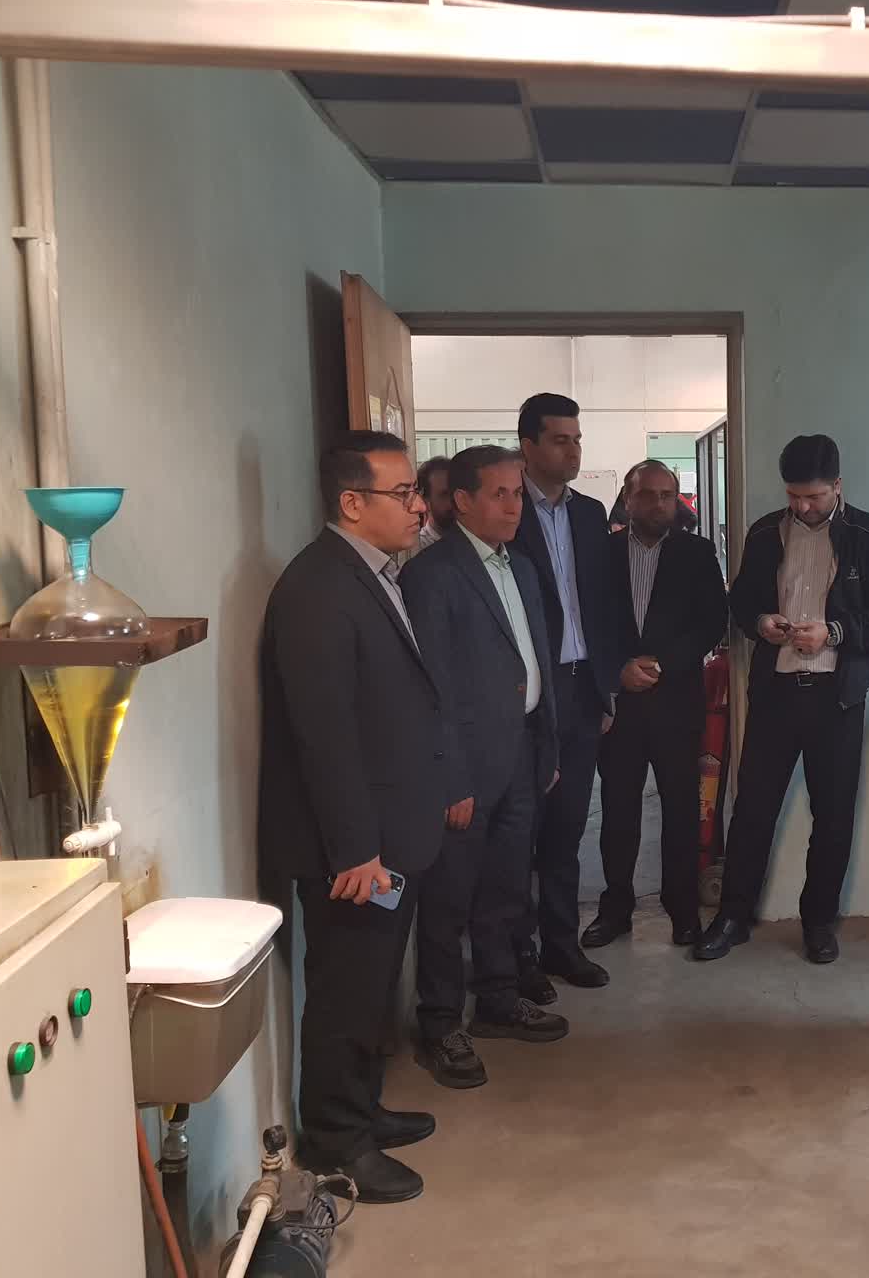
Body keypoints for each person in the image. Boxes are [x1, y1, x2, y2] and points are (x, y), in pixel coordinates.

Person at [257, 431, 446, 1204]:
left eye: (415, 491)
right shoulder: (318, 588)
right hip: (352, 849)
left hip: (386, 830)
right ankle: (337, 1141)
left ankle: (363, 1109)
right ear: (351, 502)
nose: (419, 506)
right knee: (345, 990)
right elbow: (324, 732)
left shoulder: (370, 573)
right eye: (403, 494)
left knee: (371, 986)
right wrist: (355, 850)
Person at [694, 435, 869, 965]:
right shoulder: (766, 531)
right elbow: (741, 600)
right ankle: (733, 916)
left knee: (832, 816)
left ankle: (819, 923)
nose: (803, 507)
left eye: (813, 496)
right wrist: (761, 622)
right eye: (794, 496)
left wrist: (834, 633)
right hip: (775, 695)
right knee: (752, 809)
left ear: (837, 486)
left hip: (838, 698)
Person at [401, 445, 566, 1091]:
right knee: (448, 900)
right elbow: (431, 686)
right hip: (465, 767)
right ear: (462, 500)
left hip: (521, 754)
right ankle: (441, 1022)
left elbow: (537, 659)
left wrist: (546, 748)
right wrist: (451, 777)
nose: (513, 505)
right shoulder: (433, 574)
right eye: (499, 493)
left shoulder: (519, 566)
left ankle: (497, 997)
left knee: (505, 887)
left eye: (517, 493)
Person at [582, 460, 728, 949]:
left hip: (676, 702)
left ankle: (682, 910)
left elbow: (712, 621)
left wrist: (663, 663)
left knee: (681, 809)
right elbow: (588, 622)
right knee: (618, 809)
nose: (659, 504)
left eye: (668, 495)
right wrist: (617, 669)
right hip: (619, 704)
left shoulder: (697, 552)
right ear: (628, 498)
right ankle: (616, 908)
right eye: (648, 494)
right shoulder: (601, 553)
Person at [511, 393, 619, 993]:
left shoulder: (589, 514)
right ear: (527, 446)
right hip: (528, 693)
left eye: (576, 439)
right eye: (560, 440)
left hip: (581, 689)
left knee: (568, 827)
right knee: (520, 828)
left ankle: (560, 945)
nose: (573, 450)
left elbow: (601, 604)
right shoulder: (507, 511)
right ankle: (517, 956)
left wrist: (606, 689)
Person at [414, 456, 455, 552]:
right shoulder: (417, 550)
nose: (456, 501)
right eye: (446, 494)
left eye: (458, 492)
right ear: (425, 500)